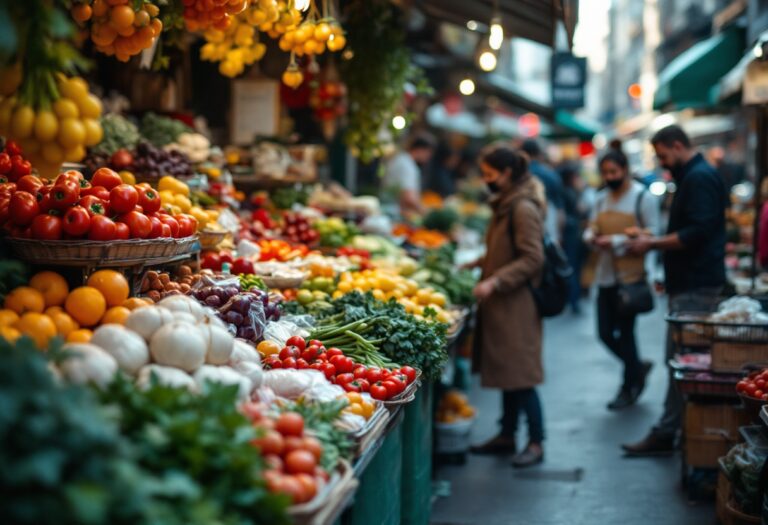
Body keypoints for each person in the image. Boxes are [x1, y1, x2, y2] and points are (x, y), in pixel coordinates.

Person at [622, 125, 727, 455]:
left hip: (697, 285)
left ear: (678, 145)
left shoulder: (698, 178)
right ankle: (676, 429)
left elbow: (696, 232)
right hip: (690, 281)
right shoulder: (692, 177)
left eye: (663, 155)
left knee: (682, 361)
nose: (662, 162)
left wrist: (651, 243)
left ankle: (668, 432)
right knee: (682, 360)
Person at [468, 145, 546, 468]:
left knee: (521, 376)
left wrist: (495, 280)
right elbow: (503, 249)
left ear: (507, 174)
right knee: (507, 372)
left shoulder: (522, 208)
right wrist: (478, 262)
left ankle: (536, 441)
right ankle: (506, 434)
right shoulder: (505, 204)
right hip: (503, 304)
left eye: (490, 175)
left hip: (517, 304)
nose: (486, 181)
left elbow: (532, 258)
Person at [584, 149, 660, 410]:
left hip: (630, 276)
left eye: (614, 172)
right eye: (605, 172)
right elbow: (591, 226)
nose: (609, 177)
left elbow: (653, 235)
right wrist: (591, 237)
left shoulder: (643, 198)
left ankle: (628, 387)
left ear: (625, 169)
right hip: (605, 275)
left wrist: (615, 241)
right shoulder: (600, 198)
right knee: (604, 333)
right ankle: (637, 367)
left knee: (626, 334)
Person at [521, 139, 565, 242]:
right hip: (548, 222)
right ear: (539, 154)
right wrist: (559, 235)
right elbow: (559, 208)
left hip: (524, 223)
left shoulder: (518, 175)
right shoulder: (550, 174)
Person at [558, 162, 587, 314]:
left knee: (571, 266)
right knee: (574, 267)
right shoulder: (570, 191)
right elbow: (580, 209)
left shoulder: (565, 190)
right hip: (572, 234)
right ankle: (574, 300)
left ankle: (572, 299)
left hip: (570, 234)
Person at [382, 136, 435, 218]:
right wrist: (426, 212)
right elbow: (408, 197)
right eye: (429, 153)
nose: (429, 157)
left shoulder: (401, 159)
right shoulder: (408, 166)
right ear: (420, 149)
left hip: (388, 208)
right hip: (394, 212)